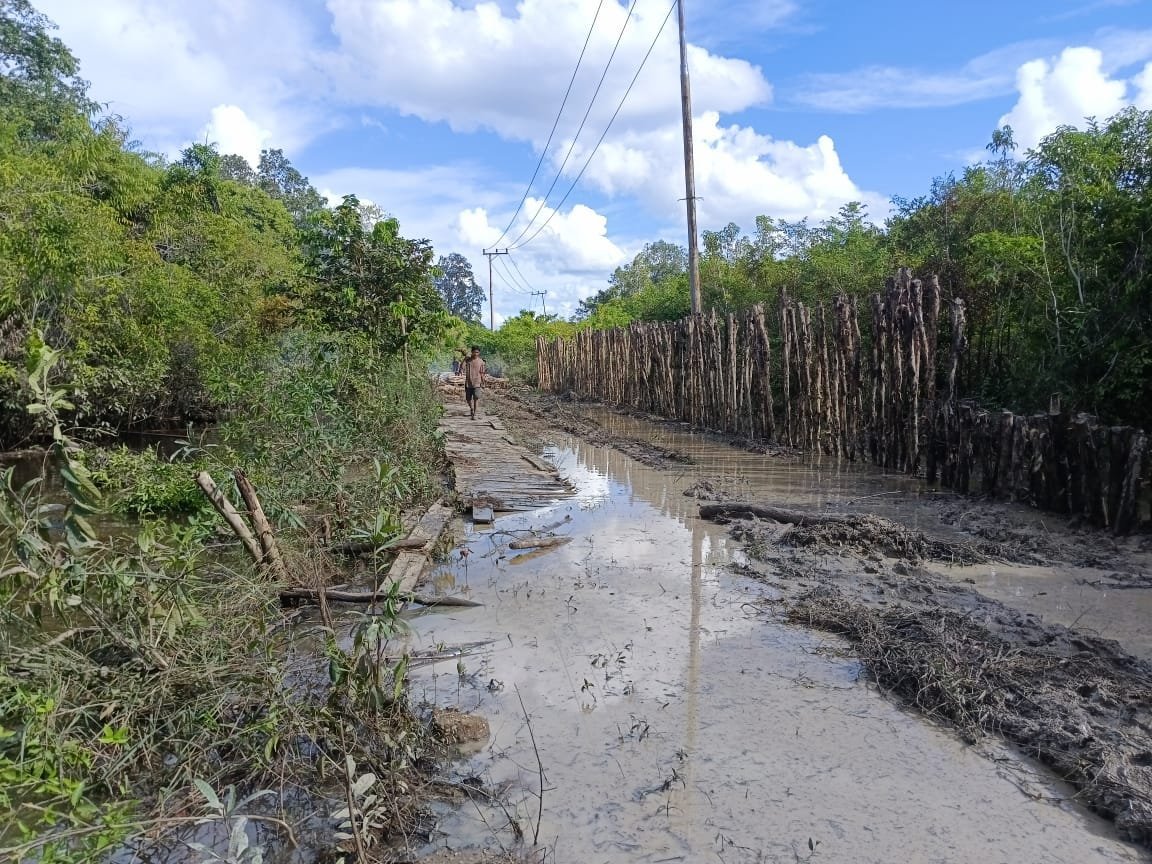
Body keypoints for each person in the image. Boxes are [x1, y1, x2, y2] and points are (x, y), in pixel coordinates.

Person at [462, 345, 487, 420]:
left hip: (477, 383)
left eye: (477, 352)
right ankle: (471, 408)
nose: (476, 354)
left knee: (476, 398)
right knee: (468, 399)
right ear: (471, 352)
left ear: (479, 353)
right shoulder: (468, 360)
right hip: (468, 383)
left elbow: (482, 373)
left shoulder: (481, 362)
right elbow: (462, 367)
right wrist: (464, 359)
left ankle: (475, 414)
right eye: (474, 352)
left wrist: (483, 382)